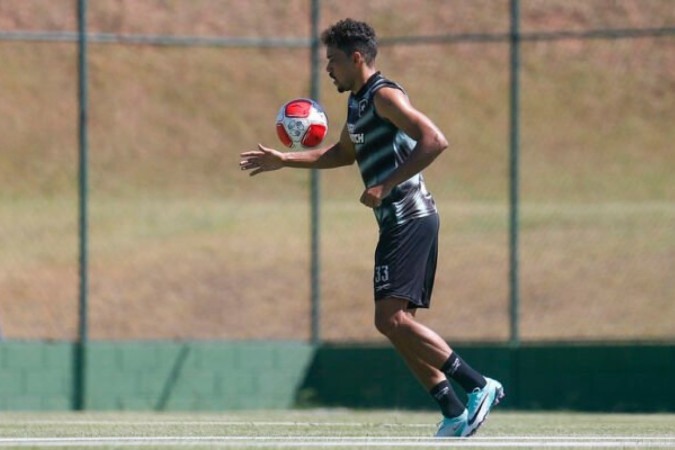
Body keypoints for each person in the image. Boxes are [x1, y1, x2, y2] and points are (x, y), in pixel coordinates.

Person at [240, 18, 504, 437]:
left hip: (411, 216)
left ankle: (477, 384)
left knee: (390, 321)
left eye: (333, 61)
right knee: (399, 327)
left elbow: (434, 139)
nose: (328, 70)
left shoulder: (383, 95)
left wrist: (386, 183)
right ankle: (453, 412)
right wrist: (284, 160)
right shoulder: (359, 103)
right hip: (395, 222)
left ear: (356, 58)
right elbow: (343, 152)